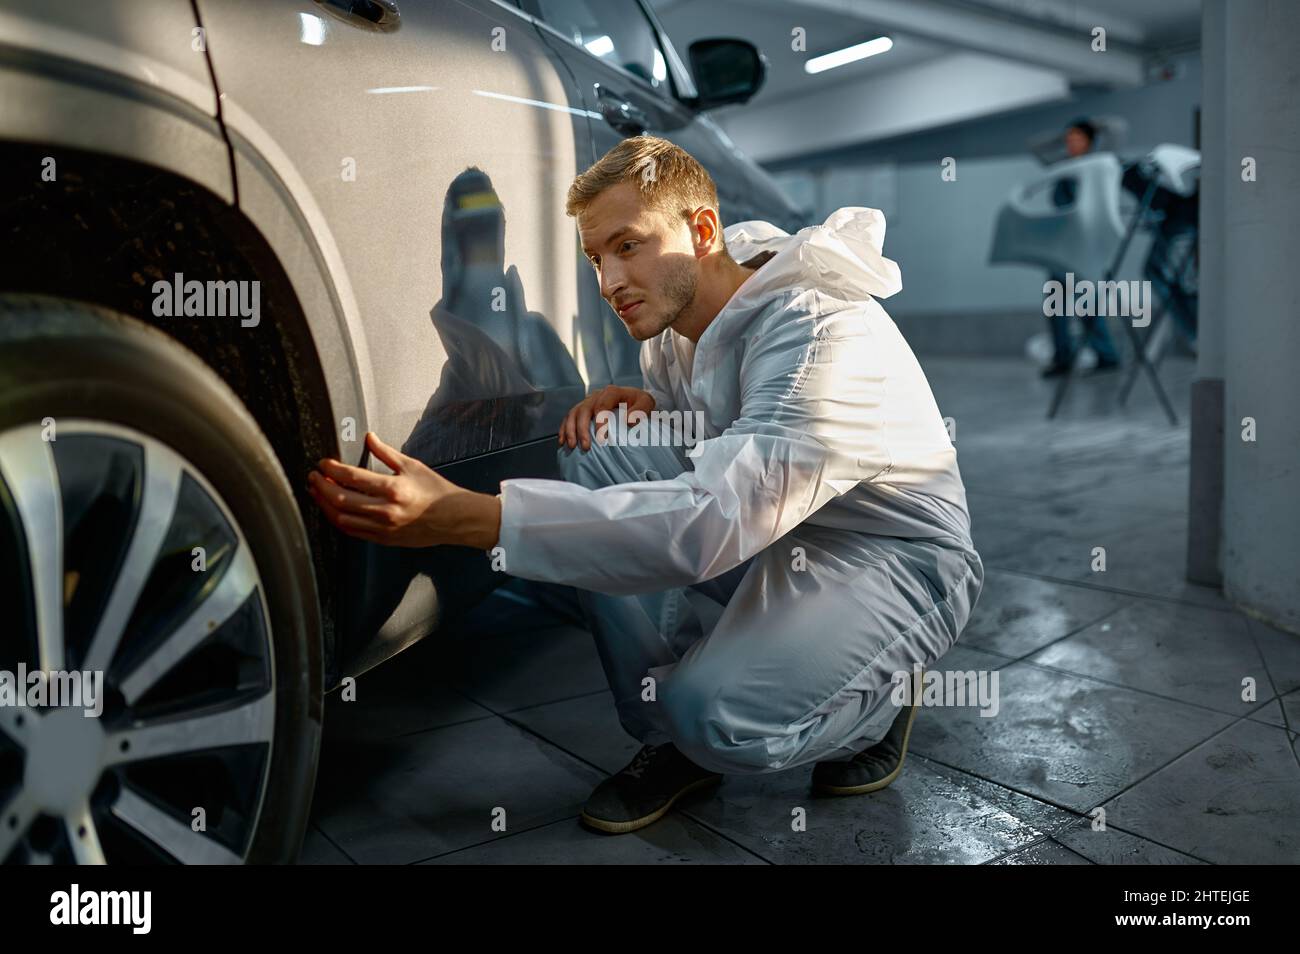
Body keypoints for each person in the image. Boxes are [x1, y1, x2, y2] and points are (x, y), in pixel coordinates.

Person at [307, 136, 984, 834]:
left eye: (627, 246)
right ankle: (670, 742)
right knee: (599, 443)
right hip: (780, 526)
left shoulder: (818, 337)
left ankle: (874, 704)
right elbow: (729, 439)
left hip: (892, 555)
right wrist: (658, 410)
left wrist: (474, 518)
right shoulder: (680, 322)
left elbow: (706, 520)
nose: (608, 283)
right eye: (597, 258)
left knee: (715, 717)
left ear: (700, 230)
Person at [1042, 118, 1122, 377]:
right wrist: (1061, 138)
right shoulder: (1062, 168)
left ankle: (1106, 355)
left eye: (1077, 138)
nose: (1071, 143)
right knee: (1056, 305)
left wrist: (1099, 126)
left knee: (1086, 303)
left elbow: (1118, 129)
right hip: (1061, 247)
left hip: (1084, 247)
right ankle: (1063, 357)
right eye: (1068, 139)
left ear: (1090, 141)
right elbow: (1036, 147)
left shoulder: (1097, 167)